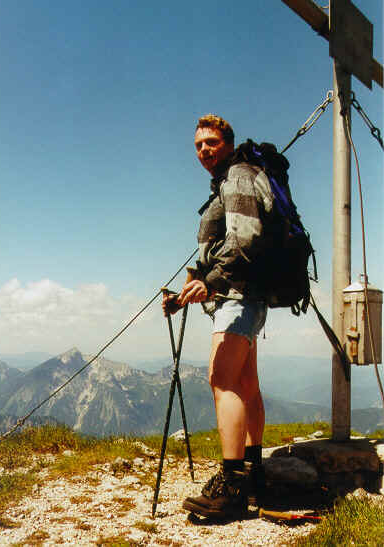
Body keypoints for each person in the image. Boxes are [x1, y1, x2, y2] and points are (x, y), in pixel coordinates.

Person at [162, 114, 275, 519]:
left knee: (221, 380)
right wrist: (187, 291)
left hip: (238, 296)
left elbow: (245, 239)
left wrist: (211, 283)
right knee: (246, 383)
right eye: (198, 145)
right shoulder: (229, 181)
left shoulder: (238, 176)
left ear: (227, 143)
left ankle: (231, 487)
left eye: (210, 142)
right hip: (243, 294)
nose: (203, 150)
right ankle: (254, 470)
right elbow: (222, 248)